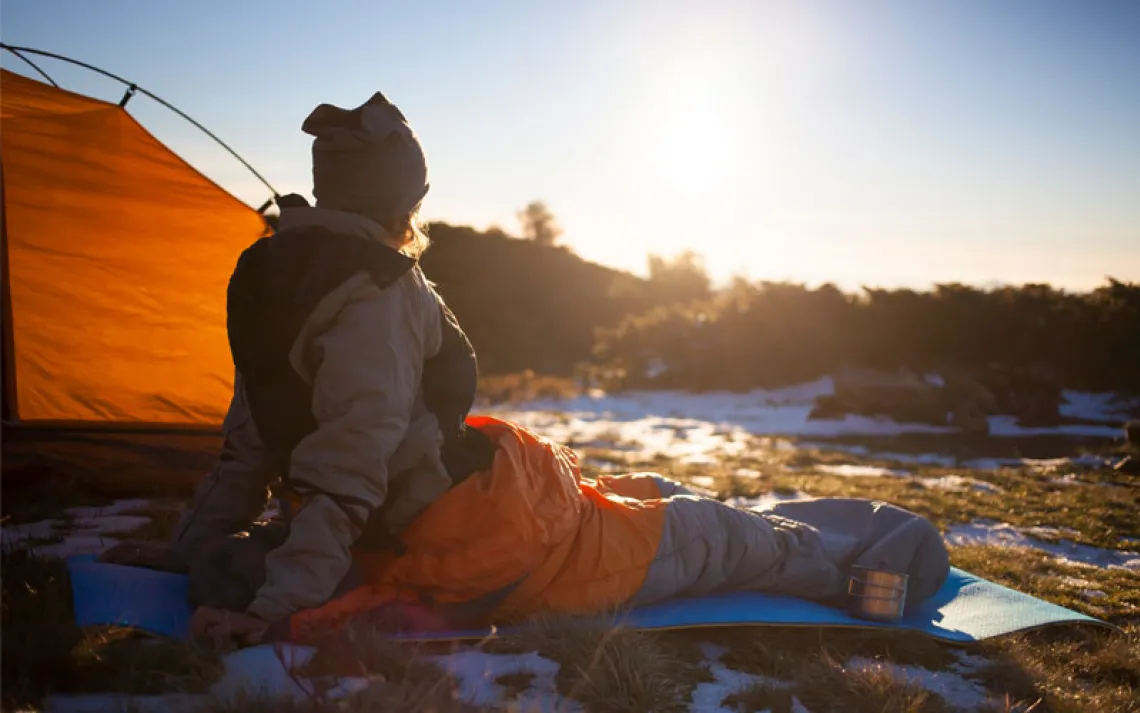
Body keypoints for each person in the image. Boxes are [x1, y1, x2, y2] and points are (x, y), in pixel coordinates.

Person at [104, 90, 951, 648]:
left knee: (653, 484)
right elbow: (346, 468)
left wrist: (194, 550)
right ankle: (868, 573)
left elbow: (250, 444)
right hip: (488, 542)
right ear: (402, 196)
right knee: (720, 537)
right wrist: (272, 609)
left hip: (481, 499)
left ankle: (727, 522)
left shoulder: (270, 273)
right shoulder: (376, 291)